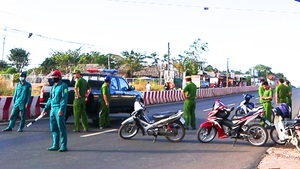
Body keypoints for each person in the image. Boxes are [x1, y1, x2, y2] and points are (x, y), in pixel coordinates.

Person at [41, 70, 69, 152]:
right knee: (53, 127)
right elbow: (50, 99)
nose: (53, 78)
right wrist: (45, 109)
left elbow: (64, 99)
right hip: (53, 109)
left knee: (61, 127)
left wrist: (61, 109)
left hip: (59, 108)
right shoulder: (53, 87)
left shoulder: (64, 86)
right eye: (52, 76)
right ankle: (55, 145)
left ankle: (64, 145)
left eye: (55, 76)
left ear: (59, 77)